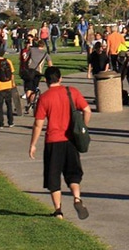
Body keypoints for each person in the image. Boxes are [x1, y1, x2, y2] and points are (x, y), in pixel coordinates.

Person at [28, 66, 91, 220]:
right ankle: (77, 198)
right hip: (70, 140)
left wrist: (33, 144)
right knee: (73, 174)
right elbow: (87, 110)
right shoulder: (72, 91)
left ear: (46, 81)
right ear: (60, 78)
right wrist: (82, 127)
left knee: (53, 177)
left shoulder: (45, 98)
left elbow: (38, 123)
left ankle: (58, 211)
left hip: (53, 141)